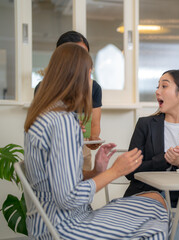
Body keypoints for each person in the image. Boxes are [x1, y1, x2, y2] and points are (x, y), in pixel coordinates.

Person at [24, 43, 170, 239]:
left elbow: (57, 180)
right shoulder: (63, 122)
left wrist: (95, 171)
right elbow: (68, 198)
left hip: (46, 223)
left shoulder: (44, 115)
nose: (90, 82)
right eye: (89, 75)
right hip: (65, 227)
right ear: (77, 77)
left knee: (154, 199)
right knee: (154, 224)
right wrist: (115, 171)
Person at [124, 69, 179, 240]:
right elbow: (130, 172)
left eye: (164, 86)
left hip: (178, 200)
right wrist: (163, 159)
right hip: (145, 197)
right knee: (174, 233)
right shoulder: (145, 125)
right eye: (157, 87)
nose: (157, 91)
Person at [34, 30, 102, 170]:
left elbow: (94, 127)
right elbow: (39, 131)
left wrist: (93, 140)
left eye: (85, 55)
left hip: (81, 153)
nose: (82, 60)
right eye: (77, 54)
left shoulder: (93, 88)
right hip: (52, 154)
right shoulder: (43, 89)